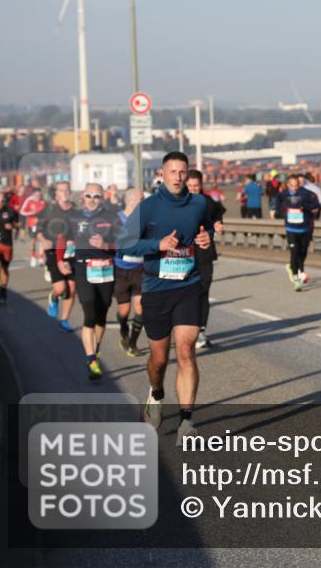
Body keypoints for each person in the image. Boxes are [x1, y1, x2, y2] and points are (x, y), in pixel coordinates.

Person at [117, 152, 214, 445]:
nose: (178, 177)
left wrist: (206, 238)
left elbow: (206, 228)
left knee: (185, 350)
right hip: (157, 289)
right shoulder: (147, 208)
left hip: (189, 285)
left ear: (188, 174)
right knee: (159, 359)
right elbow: (123, 245)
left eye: (182, 171)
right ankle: (156, 393)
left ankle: (186, 421)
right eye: (172, 171)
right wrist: (156, 244)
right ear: (162, 173)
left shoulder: (199, 202)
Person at [69, 183, 120, 380]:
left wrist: (105, 244)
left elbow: (122, 244)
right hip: (83, 269)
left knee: (102, 313)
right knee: (89, 314)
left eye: (96, 196)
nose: (92, 199)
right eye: (88, 195)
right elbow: (63, 240)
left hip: (105, 269)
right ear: (83, 196)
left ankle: (95, 350)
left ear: (102, 198)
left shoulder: (111, 217)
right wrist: (61, 260)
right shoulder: (73, 217)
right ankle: (91, 360)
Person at [187, 170, 227, 346]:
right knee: (185, 295)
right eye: (190, 186)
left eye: (196, 186)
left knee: (203, 292)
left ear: (201, 185)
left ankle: (201, 331)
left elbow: (218, 214)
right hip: (182, 256)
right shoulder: (176, 203)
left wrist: (218, 223)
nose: (193, 189)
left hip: (204, 254)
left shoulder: (208, 202)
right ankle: (185, 328)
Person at [37, 182, 77, 332]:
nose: (65, 192)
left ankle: (64, 320)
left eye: (67, 190)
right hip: (53, 251)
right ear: (56, 194)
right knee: (61, 288)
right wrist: (43, 240)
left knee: (72, 288)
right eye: (62, 190)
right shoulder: (48, 210)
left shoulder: (75, 211)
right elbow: (38, 230)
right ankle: (53, 298)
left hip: (71, 253)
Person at [114, 188, 145, 357]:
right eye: (141, 199)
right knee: (124, 311)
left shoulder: (146, 219)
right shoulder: (116, 219)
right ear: (131, 201)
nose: (144, 202)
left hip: (140, 268)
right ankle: (124, 333)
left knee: (141, 306)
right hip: (120, 269)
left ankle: (132, 343)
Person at [278, 173, 320, 291]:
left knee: (303, 252)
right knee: (294, 251)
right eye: (292, 186)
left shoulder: (306, 194)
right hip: (291, 228)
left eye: (296, 185)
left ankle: (294, 267)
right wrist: (280, 212)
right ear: (287, 185)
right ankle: (297, 278)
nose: (294, 188)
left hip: (305, 228)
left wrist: (305, 207)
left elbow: (316, 207)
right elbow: (278, 203)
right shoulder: (284, 194)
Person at [0, 190, 19, 305]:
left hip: (7, 244)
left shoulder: (10, 211)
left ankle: (3, 289)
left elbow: (19, 225)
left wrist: (12, 226)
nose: (0, 202)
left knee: (4, 270)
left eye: (2, 200)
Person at [19, 188, 46, 268]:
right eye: (36, 195)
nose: (38, 196)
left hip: (41, 224)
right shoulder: (29, 200)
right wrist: (32, 213)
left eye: (39, 195)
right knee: (33, 242)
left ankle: (41, 258)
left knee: (41, 240)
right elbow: (22, 211)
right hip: (31, 224)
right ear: (33, 194)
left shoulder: (43, 201)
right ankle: (33, 257)